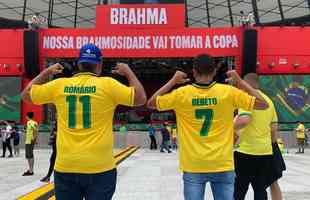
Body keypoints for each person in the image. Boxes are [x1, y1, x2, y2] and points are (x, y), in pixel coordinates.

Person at [21, 43, 146, 200]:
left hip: (66, 166)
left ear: (78, 64)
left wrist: (47, 72)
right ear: (99, 65)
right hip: (100, 167)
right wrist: (128, 71)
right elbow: (141, 98)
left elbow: (26, 95)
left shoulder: (60, 85)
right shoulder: (108, 85)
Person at [147, 54, 268, 200]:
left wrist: (173, 81)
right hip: (222, 164)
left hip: (194, 165)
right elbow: (263, 104)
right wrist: (240, 81)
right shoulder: (228, 93)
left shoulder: (182, 94)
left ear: (194, 72)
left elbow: (151, 103)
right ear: (215, 71)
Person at [233, 73, 285, 200]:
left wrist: (227, 127)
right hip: (265, 152)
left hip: (246, 151)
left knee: (239, 189)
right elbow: (273, 129)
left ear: (245, 84)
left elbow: (244, 120)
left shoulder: (247, 98)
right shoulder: (269, 101)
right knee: (260, 189)